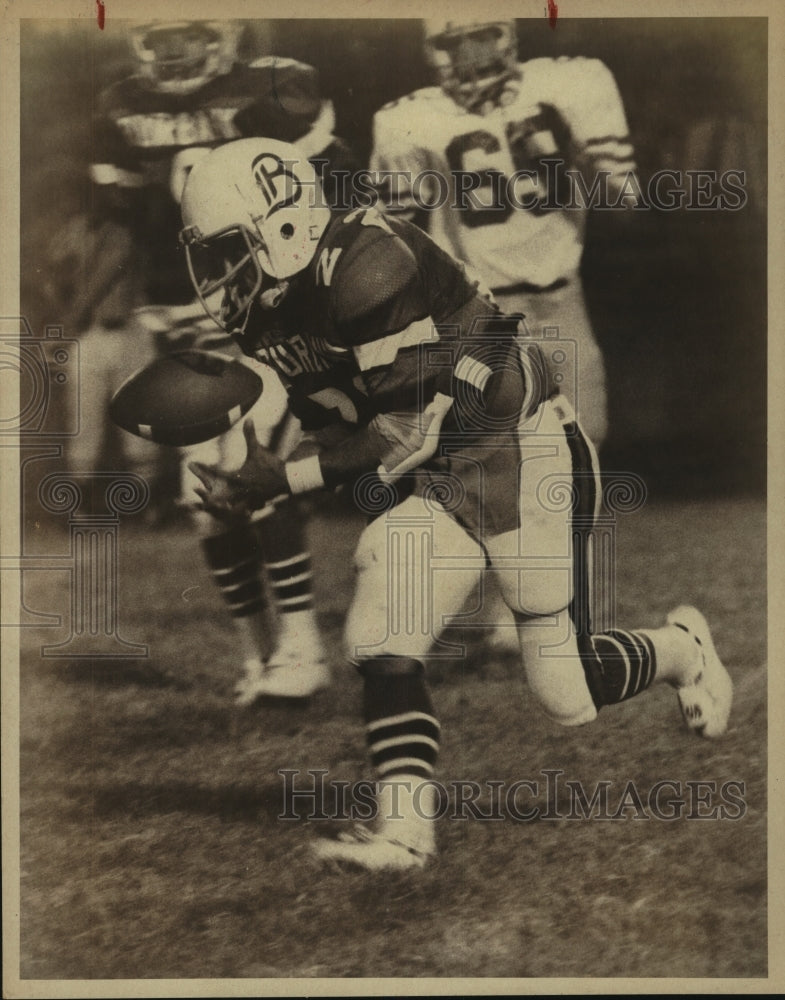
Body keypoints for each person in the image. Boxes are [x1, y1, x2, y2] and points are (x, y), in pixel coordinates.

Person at [180, 137, 733, 871]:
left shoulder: (368, 264)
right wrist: (288, 468)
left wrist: (279, 479)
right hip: (440, 472)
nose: (220, 276)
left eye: (227, 251)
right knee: (380, 636)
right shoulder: (276, 305)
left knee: (566, 695)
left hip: (523, 448)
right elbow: (345, 428)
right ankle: (405, 836)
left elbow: (402, 430)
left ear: (281, 224)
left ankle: (680, 650)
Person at [87, 20, 360, 702]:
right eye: (160, 37)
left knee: (252, 473)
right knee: (207, 505)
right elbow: (127, 221)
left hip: (266, 315)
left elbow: (336, 184)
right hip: (183, 326)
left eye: (188, 34)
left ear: (224, 34)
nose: (173, 50)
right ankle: (259, 657)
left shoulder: (272, 87)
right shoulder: (121, 106)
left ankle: (302, 650)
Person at [370, 19, 639, 450]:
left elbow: (625, 197)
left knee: (586, 441)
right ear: (431, 50)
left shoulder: (568, 83)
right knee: (499, 454)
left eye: (481, 37)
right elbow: (387, 234)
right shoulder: (408, 117)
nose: (470, 55)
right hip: (482, 308)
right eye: (452, 42)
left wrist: (587, 148)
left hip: (563, 298)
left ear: (509, 34)